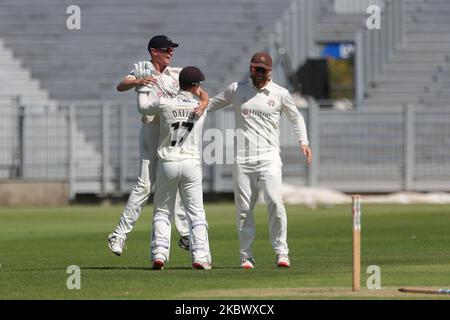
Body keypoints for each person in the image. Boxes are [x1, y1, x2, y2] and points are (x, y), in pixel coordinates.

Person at [206, 52, 313, 269]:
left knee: (275, 201)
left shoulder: (280, 93)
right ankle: (246, 256)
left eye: (262, 70)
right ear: (250, 68)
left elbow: (296, 117)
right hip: (242, 159)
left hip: (269, 156)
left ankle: (282, 252)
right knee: (244, 208)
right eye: (255, 69)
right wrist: (189, 106)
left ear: (270, 71)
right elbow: (210, 104)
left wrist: (304, 141)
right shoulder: (237, 89)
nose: (258, 73)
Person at [108, 35, 209, 256]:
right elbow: (120, 86)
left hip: (170, 132)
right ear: (153, 51)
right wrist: (137, 81)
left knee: (176, 179)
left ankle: (184, 235)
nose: (170, 53)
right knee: (145, 184)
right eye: (166, 49)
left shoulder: (176, 73)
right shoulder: (143, 70)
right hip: (151, 130)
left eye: (172, 49)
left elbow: (201, 91)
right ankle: (119, 234)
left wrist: (203, 102)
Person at [139, 66, 212, 270]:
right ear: (196, 86)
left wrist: (142, 86)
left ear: (179, 83)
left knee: (162, 210)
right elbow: (206, 97)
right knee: (196, 213)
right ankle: (200, 256)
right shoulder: (200, 107)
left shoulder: (165, 102)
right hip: (191, 164)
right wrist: (203, 98)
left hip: (168, 162)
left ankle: (159, 254)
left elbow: (143, 108)